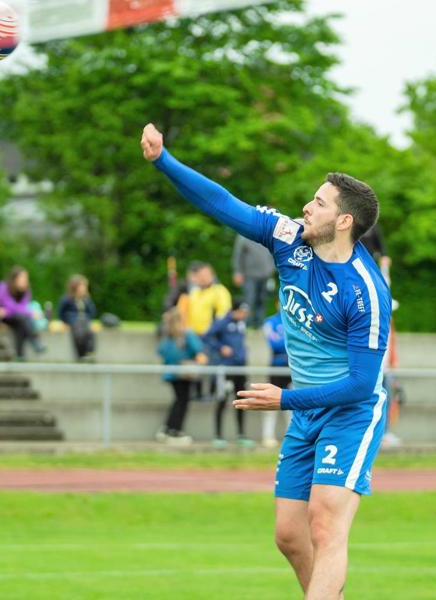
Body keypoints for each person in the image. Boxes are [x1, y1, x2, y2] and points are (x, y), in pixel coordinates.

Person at [143, 122, 391, 599]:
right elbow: (224, 203)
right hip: (304, 409)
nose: (306, 206)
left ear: (344, 222)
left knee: (325, 524)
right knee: (289, 536)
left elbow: (362, 384)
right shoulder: (289, 240)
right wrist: (163, 160)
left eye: (319, 203)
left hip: (351, 413)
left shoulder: (367, 292)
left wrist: (286, 399)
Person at [205, 300, 253, 448]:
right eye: (242, 312)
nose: (244, 315)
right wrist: (221, 348)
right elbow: (207, 337)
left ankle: (241, 435)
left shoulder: (241, 324)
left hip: (240, 368)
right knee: (222, 400)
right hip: (226, 368)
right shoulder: (222, 323)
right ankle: (218, 435)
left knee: (242, 401)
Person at [157, 307, 208, 445]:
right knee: (182, 402)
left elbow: (161, 354)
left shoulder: (167, 336)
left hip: (171, 373)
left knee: (178, 401)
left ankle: (168, 428)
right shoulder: (186, 334)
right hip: (183, 374)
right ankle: (175, 431)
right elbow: (200, 353)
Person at [0, 266, 46, 360]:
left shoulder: (26, 290)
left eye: (26, 277)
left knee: (22, 321)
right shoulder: (4, 286)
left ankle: (20, 355)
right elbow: (9, 306)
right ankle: (34, 342)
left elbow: (23, 307)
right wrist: (30, 313)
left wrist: (25, 312)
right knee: (24, 318)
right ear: (15, 278)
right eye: (23, 277)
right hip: (3, 317)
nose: (25, 280)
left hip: (18, 317)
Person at [262, 310, 293, 449]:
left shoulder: (295, 319)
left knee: (293, 402)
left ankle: (292, 435)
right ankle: (268, 436)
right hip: (276, 366)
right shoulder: (270, 321)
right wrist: (289, 343)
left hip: (292, 367)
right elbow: (274, 343)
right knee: (270, 402)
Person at [233, 233, 275, 328]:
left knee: (262, 300)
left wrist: (271, 270)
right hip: (249, 275)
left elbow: (272, 254)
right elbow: (238, 255)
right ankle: (246, 324)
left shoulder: (266, 235)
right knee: (249, 300)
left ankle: (259, 324)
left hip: (265, 275)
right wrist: (238, 272)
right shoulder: (243, 236)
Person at [185, 261, 232, 336]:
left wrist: (211, 330)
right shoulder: (194, 291)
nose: (203, 278)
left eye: (206, 275)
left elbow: (223, 314)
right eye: (200, 275)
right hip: (193, 335)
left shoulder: (219, 291)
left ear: (213, 276)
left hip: (211, 335)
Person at [58, 274, 97, 362]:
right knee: (79, 331)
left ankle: (90, 350)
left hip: (85, 321)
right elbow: (60, 312)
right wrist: (64, 323)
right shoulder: (67, 299)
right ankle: (81, 354)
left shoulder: (86, 300)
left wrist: (87, 300)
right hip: (73, 321)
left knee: (88, 330)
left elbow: (92, 312)